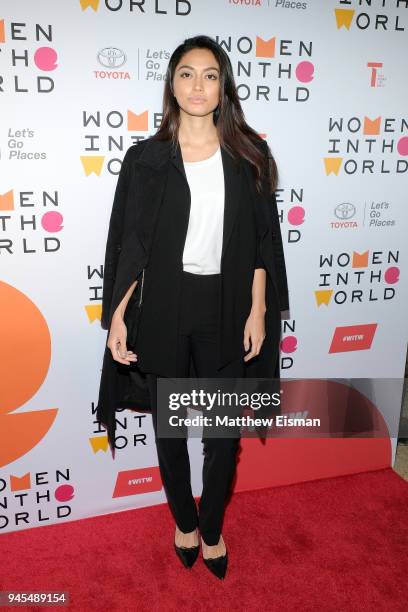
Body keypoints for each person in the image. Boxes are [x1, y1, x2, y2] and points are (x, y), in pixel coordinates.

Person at [96, 34, 289, 580]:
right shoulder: (147, 159)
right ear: (172, 83)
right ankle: (184, 520)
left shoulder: (248, 153)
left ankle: (212, 525)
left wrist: (257, 311)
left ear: (224, 85)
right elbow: (129, 244)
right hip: (163, 308)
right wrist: (117, 315)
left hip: (227, 308)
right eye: (187, 72)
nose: (198, 84)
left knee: (223, 438)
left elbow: (260, 246)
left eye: (209, 74)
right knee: (173, 431)